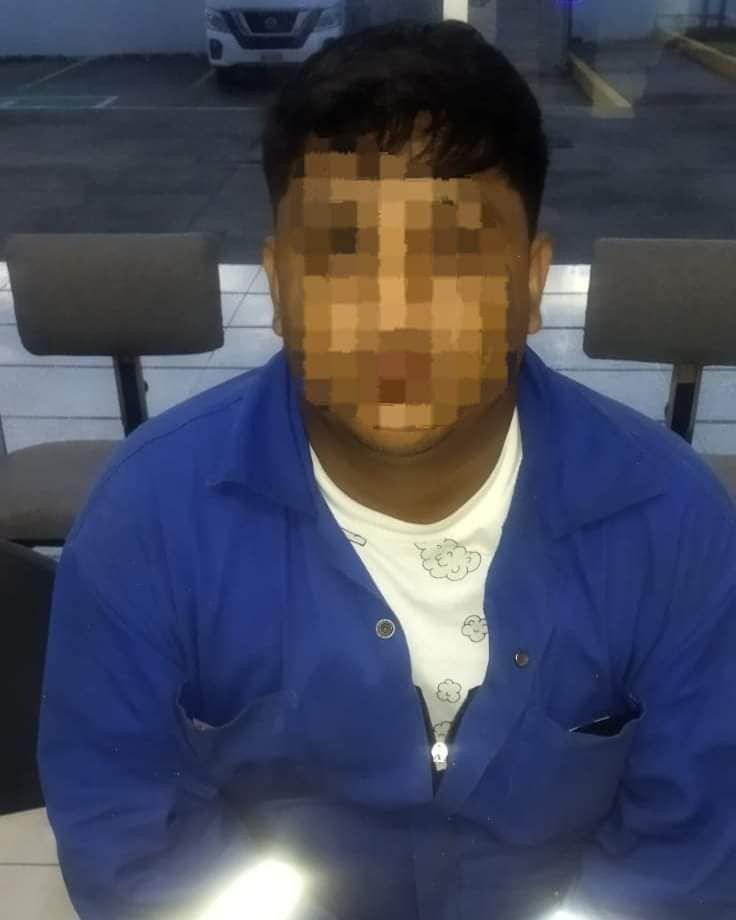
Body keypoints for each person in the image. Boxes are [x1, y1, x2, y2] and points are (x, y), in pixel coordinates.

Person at [37, 18, 736, 920]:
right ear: (279, 286)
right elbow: (133, 851)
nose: (394, 311)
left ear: (531, 284)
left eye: (453, 250)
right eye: (340, 250)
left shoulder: (674, 526)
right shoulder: (146, 524)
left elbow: (684, 864)